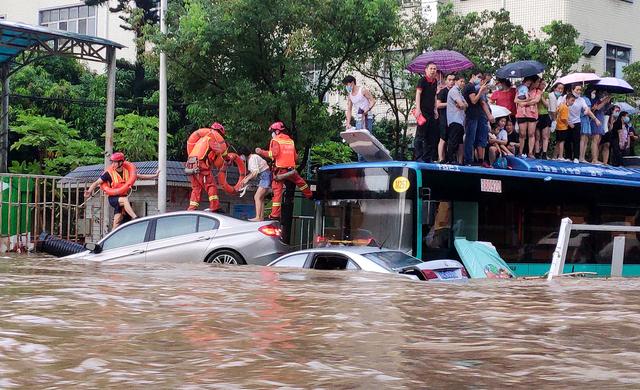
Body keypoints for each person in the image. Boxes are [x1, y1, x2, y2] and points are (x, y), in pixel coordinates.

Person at [84, 152, 159, 229]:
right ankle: (136, 218)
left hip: (122, 196)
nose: (113, 164)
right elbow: (96, 182)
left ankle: (112, 236)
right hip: (113, 198)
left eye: (115, 162)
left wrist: (155, 175)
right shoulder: (108, 173)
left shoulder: (127, 171)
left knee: (117, 220)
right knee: (125, 200)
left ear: (121, 162)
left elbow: (141, 176)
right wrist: (89, 191)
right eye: (112, 162)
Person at [256, 122, 312, 220]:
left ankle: (275, 215)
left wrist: (261, 152)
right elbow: (296, 157)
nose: (272, 134)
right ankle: (310, 195)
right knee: (300, 182)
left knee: (277, 192)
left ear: (277, 131)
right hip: (291, 169)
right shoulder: (290, 141)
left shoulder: (275, 140)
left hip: (280, 171)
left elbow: (273, 154)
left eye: (273, 131)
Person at [185, 122, 229, 212]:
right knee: (211, 185)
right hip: (200, 164)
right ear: (219, 133)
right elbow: (220, 152)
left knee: (196, 188)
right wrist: (227, 159)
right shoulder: (213, 138)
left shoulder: (201, 139)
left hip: (190, 163)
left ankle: (191, 209)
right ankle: (215, 207)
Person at [463, 71, 494, 166]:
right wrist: (489, 115)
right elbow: (477, 101)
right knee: (472, 139)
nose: (481, 80)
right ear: (473, 76)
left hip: (477, 116)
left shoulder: (475, 87)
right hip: (473, 116)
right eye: (479, 77)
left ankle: (479, 160)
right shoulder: (473, 87)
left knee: (478, 139)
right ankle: (469, 160)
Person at [562, 85, 600, 162]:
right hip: (567, 121)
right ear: (572, 90)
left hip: (576, 121)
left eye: (580, 90)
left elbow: (586, 108)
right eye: (577, 89)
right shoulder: (566, 97)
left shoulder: (581, 100)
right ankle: (568, 157)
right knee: (567, 139)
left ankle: (576, 157)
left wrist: (594, 118)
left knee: (576, 140)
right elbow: (561, 107)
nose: (579, 91)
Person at [414, 61, 439, 162]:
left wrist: (435, 109)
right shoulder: (422, 80)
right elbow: (418, 94)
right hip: (423, 111)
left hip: (431, 112)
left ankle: (427, 158)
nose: (433, 70)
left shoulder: (435, 81)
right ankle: (418, 157)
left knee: (431, 136)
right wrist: (418, 109)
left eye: (434, 69)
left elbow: (435, 96)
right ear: (426, 69)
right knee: (420, 135)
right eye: (431, 68)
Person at [514, 76, 541, 158]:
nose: (538, 84)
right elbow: (516, 100)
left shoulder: (537, 91)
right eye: (537, 82)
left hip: (532, 114)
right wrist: (526, 101)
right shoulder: (521, 89)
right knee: (522, 134)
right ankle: (520, 152)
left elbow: (536, 100)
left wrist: (524, 103)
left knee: (531, 133)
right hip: (521, 114)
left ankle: (530, 152)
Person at [446, 75, 467, 164]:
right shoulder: (454, 91)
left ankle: (456, 160)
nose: (463, 83)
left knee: (459, 142)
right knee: (453, 141)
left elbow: (466, 105)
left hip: (460, 120)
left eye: (464, 82)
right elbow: (462, 105)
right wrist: (462, 105)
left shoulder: (459, 92)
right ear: (456, 81)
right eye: (461, 81)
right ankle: (450, 160)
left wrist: (462, 105)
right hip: (454, 119)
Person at [588, 90, 612, 164]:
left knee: (598, 141)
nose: (604, 94)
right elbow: (596, 108)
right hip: (595, 119)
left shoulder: (605, 101)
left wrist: (608, 102)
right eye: (604, 93)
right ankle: (594, 159)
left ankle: (596, 158)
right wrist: (604, 101)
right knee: (595, 139)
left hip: (601, 119)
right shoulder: (595, 99)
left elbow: (604, 110)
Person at [436, 74, 455, 163]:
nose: (451, 82)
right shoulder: (443, 92)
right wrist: (449, 104)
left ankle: (449, 158)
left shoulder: (456, 92)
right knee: (442, 138)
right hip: (444, 118)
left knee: (451, 139)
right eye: (449, 79)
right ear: (446, 81)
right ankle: (441, 158)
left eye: (453, 80)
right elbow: (438, 105)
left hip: (453, 119)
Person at [554, 93, 575, 160]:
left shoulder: (561, 106)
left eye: (574, 101)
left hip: (558, 126)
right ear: (567, 99)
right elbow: (564, 118)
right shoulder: (565, 107)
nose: (573, 102)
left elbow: (556, 113)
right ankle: (560, 156)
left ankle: (554, 156)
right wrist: (570, 124)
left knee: (558, 142)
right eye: (572, 100)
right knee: (562, 141)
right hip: (562, 127)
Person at [535, 80, 551, 159]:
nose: (543, 86)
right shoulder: (534, 93)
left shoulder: (546, 94)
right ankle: (537, 153)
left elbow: (547, 105)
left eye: (544, 84)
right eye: (542, 84)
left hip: (544, 115)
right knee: (537, 136)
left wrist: (541, 97)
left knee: (545, 136)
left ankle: (544, 153)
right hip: (537, 115)